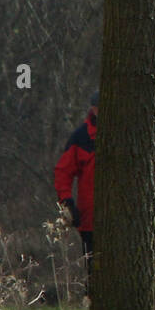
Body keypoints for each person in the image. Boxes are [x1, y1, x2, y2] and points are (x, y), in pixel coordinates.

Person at [53, 91, 98, 288]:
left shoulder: (126, 135)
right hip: (90, 217)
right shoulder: (80, 137)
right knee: (94, 269)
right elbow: (63, 171)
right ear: (93, 109)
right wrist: (67, 202)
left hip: (123, 215)